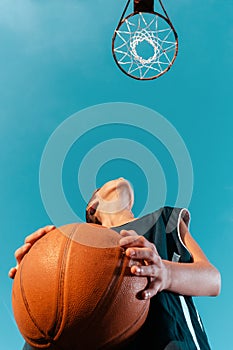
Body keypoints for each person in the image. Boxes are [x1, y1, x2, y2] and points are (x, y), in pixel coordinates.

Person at [9, 177, 221, 350]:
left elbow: (213, 280)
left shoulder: (164, 220)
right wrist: (35, 279)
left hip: (171, 341)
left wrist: (167, 273)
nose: (119, 177)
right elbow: (57, 326)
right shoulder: (77, 248)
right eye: (103, 186)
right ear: (92, 208)